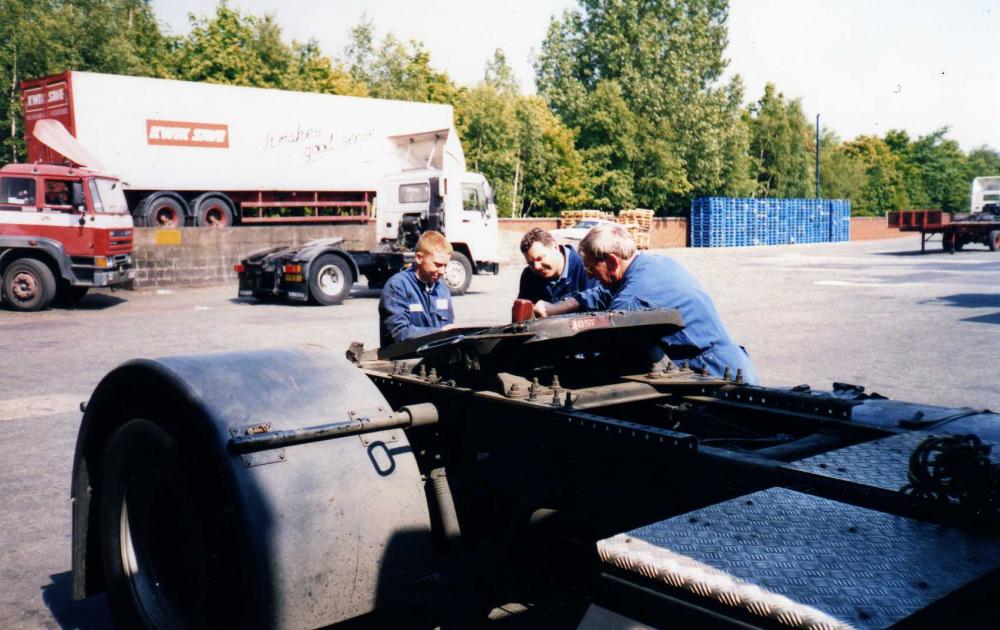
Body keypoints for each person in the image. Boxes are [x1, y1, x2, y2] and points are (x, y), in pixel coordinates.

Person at [533, 223, 758, 384]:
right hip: (733, 363)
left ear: (611, 261)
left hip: (712, 374)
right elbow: (603, 293)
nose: (591, 275)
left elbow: (607, 340)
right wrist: (556, 308)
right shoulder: (655, 263)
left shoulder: (630, 299)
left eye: (591, 269)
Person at [378, 231, 456, 347]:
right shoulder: (397, 286)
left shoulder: (441, 288)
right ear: (419, 258)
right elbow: (399, 334)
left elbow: (450, 329)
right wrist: (442, 332)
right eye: (438, 265)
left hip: (435, 358)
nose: (442, 272)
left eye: (445, 266)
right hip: (404, 361)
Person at [517, 227, 600, 304]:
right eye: (531, 263)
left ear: (555, 247)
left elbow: (600, 306)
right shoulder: (529, 275)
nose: (536, 267)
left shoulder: (586, 267)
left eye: (539, 258)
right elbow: (522, 315)